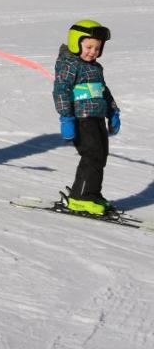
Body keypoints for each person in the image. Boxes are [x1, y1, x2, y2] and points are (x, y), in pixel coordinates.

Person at [53, 20, 120, 216]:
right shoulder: (70, 65)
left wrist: (113, 112)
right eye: (89, 46)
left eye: (97, 48)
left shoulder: (95, 67)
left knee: (100, 156)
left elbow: (103, 91)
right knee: (91, 155)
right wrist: (66, 118)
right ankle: (79, 198)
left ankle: (91, 193)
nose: (93, 51)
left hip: (96, 117)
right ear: (76, 43)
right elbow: (61, 91)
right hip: (81, 118)